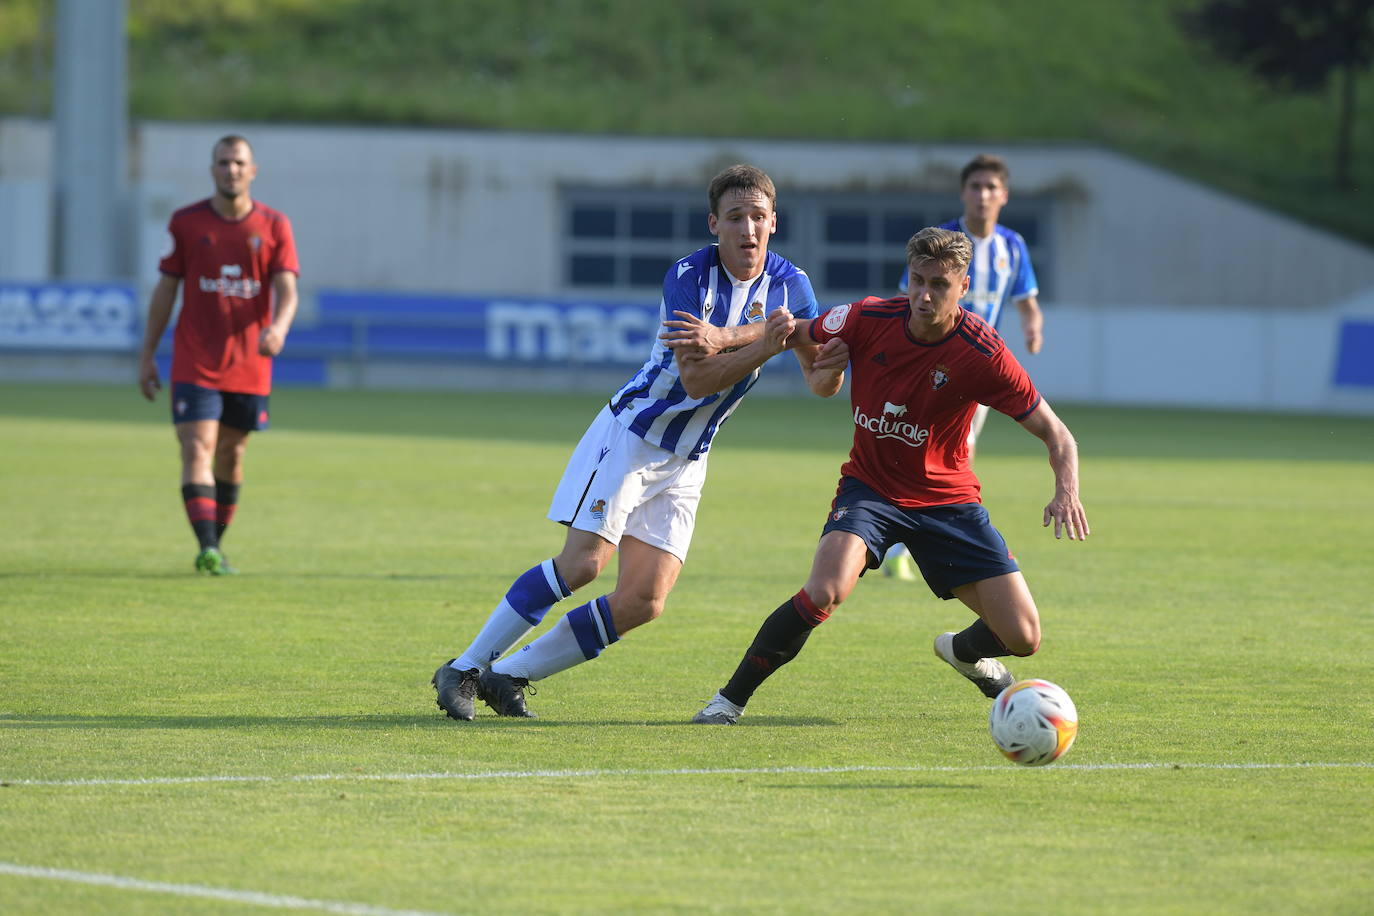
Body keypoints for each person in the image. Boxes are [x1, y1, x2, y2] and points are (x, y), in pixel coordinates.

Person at [432, 164, 845, 721]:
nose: (747, 229)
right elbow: (698, 378)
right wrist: (767, 341)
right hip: (634, 435)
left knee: (644, 601)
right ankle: (465, 666)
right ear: (713, 225)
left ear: (775, 222)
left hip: (690, 457)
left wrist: (830, 363)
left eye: (758, 217)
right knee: (582, 565)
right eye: (734, 218)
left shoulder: (792, 285)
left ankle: (510, 674)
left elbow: (818, 380)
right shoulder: (688, 277)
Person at [692, 226, 1087, 725]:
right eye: (917, 280)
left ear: (963, 287)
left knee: (1024, 637)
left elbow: (1058, 435)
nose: (924, 295)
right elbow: (794, 330)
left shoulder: (983, 353)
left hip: (947, 501)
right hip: (871, 489)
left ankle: (964, 653)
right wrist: (729, 338)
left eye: (939, 285)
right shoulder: (868, 317)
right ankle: (728, 701)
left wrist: (1065, 490)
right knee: (825, 589)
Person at [136, 135, 300, 575]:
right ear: (213, 169)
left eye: (238, 162)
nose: (231, 169)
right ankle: (207, 548)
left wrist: (278, 329)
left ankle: (214, 546)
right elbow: (166, 292)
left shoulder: (273, 225)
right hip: (195, 360)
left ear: (252, 170)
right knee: (197, 447)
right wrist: (148, 354)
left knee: (232, 453)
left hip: (250, 364)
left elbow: (287, 289)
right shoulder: (187, 223)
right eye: (223, 162)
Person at [882, 153, 1043, 579]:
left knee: (951, 452)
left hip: (975, 370)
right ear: (963, 193)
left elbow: (1027, 302)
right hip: (928, 363)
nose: (983, 195)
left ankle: (907, 540)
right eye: (976, 186)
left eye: (991, 187)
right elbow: (906, 299)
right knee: (933, 450)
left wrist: (1033, 328)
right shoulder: (942, 243)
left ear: (1003, 196)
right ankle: (916, 539)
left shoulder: (1013, 247)